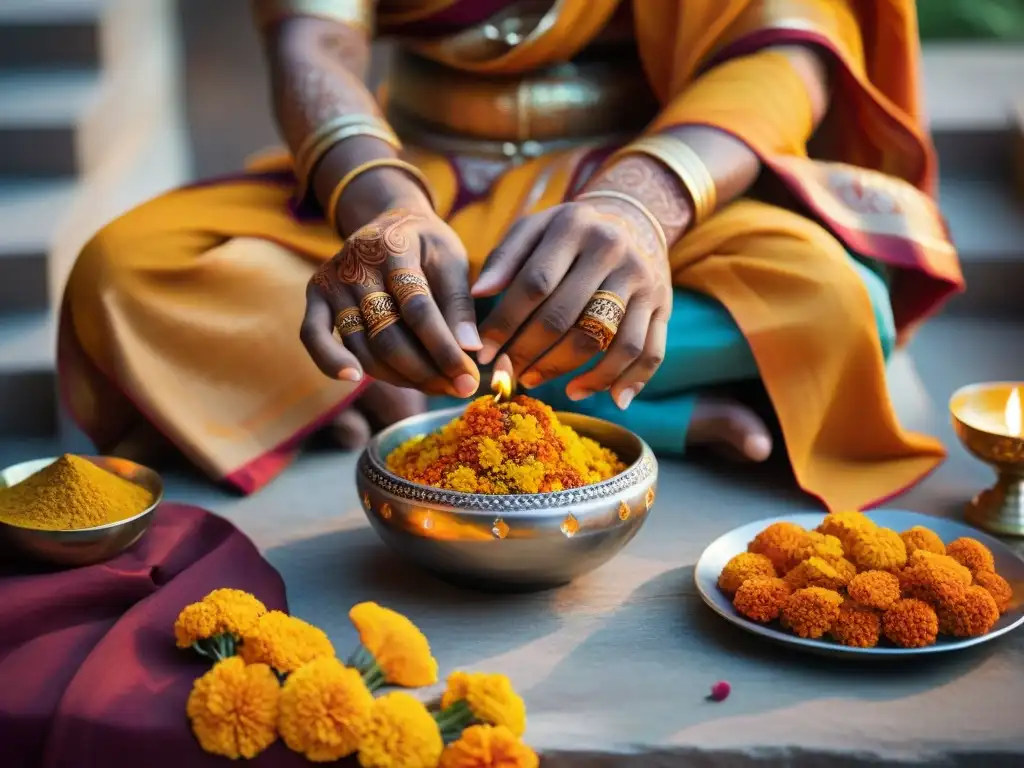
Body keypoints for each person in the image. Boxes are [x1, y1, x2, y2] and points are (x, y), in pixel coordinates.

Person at [58, 0, 963, 509]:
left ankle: (408, 369)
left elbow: (784, 54)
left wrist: (640, 205)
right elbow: (312, 39)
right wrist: (382, 209)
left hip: (638, 173)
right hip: (407, 170)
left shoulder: (638, 197)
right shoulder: (387, 191)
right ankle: (627, 406)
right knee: (126, 277)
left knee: (840, 302)